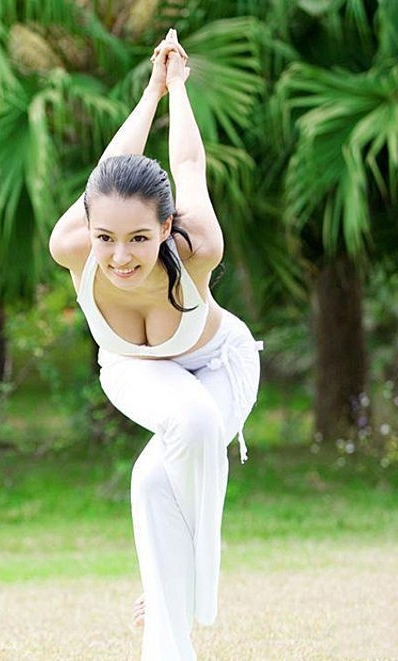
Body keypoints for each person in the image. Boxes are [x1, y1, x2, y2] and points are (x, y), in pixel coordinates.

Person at [49, 28, 262, 661]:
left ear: (165, 228)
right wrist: (149, 93)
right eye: (107, 238)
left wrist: (180, 90)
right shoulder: (72, 248)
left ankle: (169, 628)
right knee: (188, 424)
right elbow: (106, 169)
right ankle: (186, 590)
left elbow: (189, 167)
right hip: (132, 370)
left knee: (151, 482)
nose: (120, 256)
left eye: (140, 238)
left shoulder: (198, 250)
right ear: (90, 226)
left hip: (220, 363)